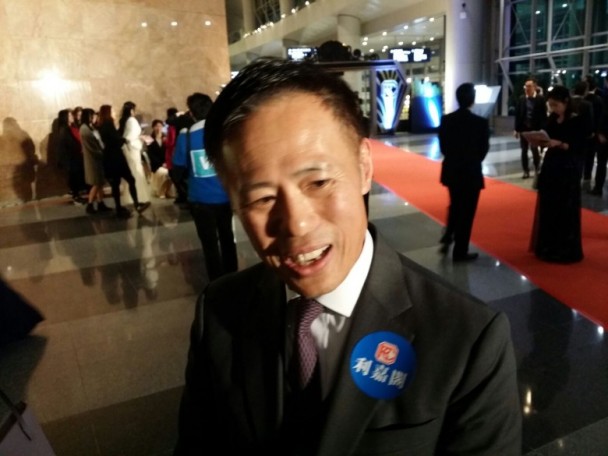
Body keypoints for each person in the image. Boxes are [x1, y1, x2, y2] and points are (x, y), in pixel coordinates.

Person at [174, 57, 521, 455]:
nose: (297, 224)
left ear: (363, 166)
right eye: (262, 198)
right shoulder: (219, 311)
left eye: (319, 182)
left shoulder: (467, 339)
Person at [172, 92, 238, 281]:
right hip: (224, 196)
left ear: (192, 113)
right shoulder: (224, 133)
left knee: (209, 244)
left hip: (199, 199)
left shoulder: (186, 137)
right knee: (227, 237)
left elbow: (177, 169)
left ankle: (216, 282)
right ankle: (234, 276)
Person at [529, 85, 584, 263]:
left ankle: (564, 249)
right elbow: (546, 135)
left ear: (566, 102)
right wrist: (541, 141)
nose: (553, 108)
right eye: (551, 105)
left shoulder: (576, 121)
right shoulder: (552, 119)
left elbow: (578, 146)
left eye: (556, 105)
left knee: (565, 209)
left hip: (567, 168)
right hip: (552, 167)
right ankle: (548, 245)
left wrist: (559, 143)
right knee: (549, 206)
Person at [438, 82, 490, 262]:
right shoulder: (480, 123)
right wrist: (472, 160)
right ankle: (460, 251)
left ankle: (449, 233)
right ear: (472, 100)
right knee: (467, 212)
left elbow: (443, 147)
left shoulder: (447, 120)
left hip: (452, 170)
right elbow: (483, 149)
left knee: (455, 204)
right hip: (471, 171)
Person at [97, 104, 149, 217]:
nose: (115, 113)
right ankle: (133, 205)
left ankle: (121, 207)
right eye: (113, 111)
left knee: (117, 183)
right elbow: (116, 140)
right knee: (129, 179)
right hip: (115, 158)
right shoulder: (108, 125)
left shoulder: (104, 125)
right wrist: (126, 139)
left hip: (111, 157)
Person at [118, 101, 151, 206]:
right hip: (133, 149)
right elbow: (130, 137)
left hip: (129, 149)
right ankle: (139, 197)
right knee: (136, 171)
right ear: (131, 110)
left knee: (133, 171)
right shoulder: (132, 120)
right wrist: (140, 137)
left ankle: (134, 197)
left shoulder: (125, 120)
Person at [514, 77, 547, 178]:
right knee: (524, 150)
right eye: (526, 86)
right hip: (523, 129)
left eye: (529, 86)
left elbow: (543, 116)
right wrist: (516, 129)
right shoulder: (521, 99)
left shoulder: (540, 99)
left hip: (535, 129)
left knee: (534, 149)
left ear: (535, 87)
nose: (527, 88)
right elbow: (518, 115)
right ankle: (525, 171)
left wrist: (543, 129)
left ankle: (537, 169)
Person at [80, 108, 111, 215]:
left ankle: (100, 202)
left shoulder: (90, 127)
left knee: (100, 182)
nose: (94, 118)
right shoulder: (85, 129)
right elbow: (91, 146)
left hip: (96, 159)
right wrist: (102, 153)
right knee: (96, 183)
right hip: (93, 160)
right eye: (92, 116)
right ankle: (90, 204)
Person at [146, 119, 173, 198]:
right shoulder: (149, 138)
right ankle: (161, 192)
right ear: (153, 127)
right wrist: (161, 164)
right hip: (156, 164)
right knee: (164, 173)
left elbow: (169, 151)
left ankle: (168, 191)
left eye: (160, 126)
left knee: (172, 172)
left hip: (167, 163)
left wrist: (167, 162)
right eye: (156, 126)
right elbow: (150, 154)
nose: (158, 128)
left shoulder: (166, 137)